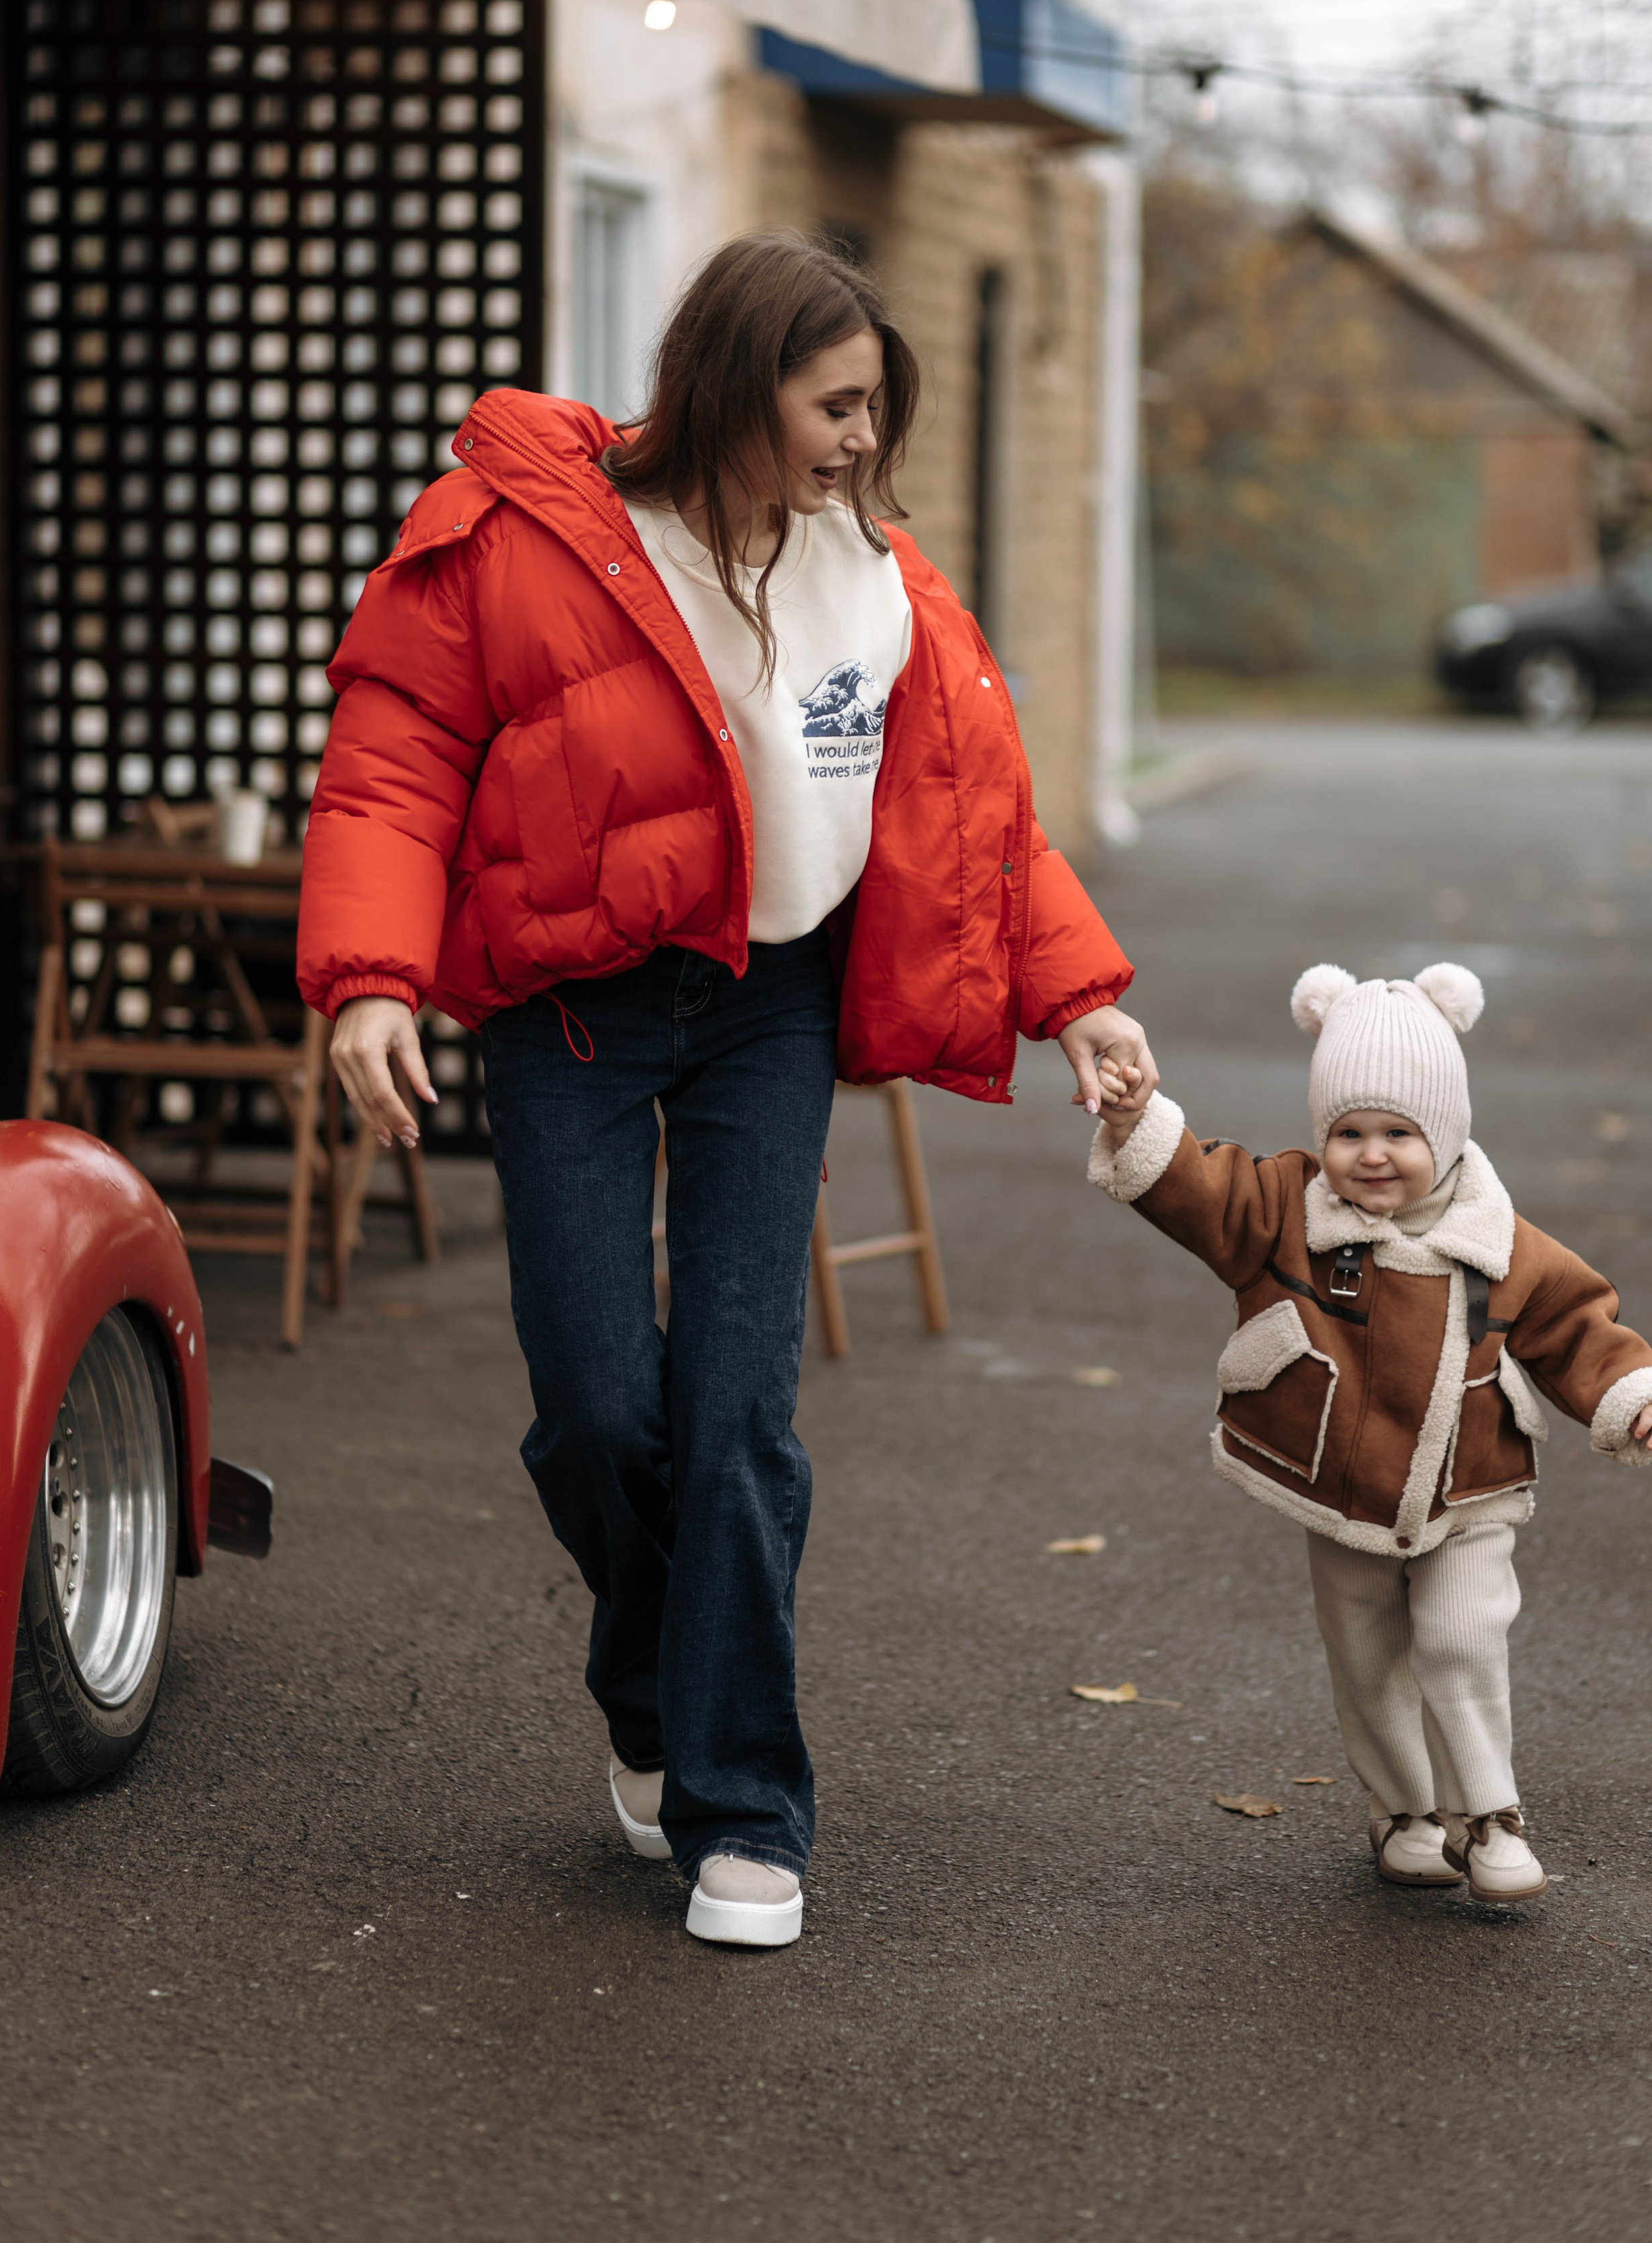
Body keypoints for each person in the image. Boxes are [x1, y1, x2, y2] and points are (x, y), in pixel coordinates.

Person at [297, 232, 1157, 1948]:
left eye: (873, 410)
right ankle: (653, 1682)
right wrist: (371, 980)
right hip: (577, 1008)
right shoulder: (519, 542)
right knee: (603, 1405)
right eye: (835, 403)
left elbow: (976, 820)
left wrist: (1077, 1000)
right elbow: (392, 764)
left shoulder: (880, 575)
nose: (859, 441)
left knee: (737, 1407)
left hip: (774, 1010)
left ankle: (743, 1801)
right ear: (733, 379)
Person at [1085, 960, 1652, 1902]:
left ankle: (1490, 1817)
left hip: (1468, 1485)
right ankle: (1407, 1813)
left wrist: (1633, 1397)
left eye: (1400, 1132)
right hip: (1338, 1488)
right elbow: (1195, 1186)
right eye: (1349, 1132)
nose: (1372, 1155)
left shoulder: (1501, 1240)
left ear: (1449, 1133)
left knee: (1464, 1636)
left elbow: (1579, 1330)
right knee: (1366, 1653)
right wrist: (1133, 1116)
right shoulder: (1285, 1208)